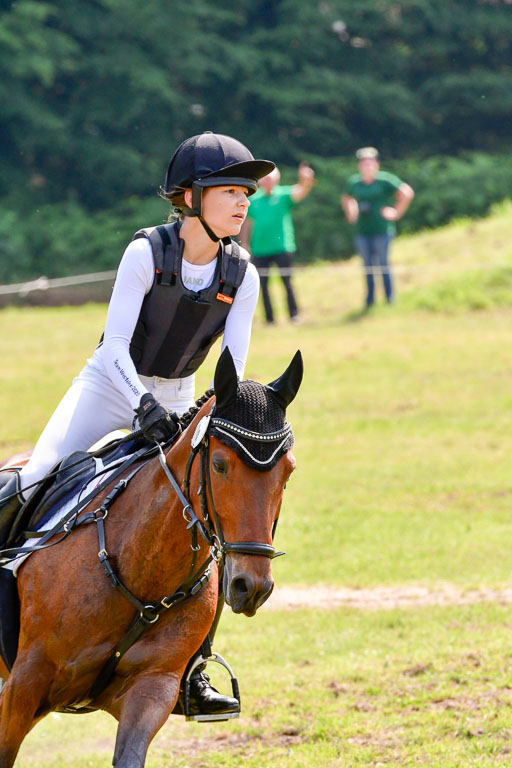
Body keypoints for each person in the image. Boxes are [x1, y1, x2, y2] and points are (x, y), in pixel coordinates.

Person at [0, 131, 275, 716]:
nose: (242, 201)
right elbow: (117, 347)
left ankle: (193, 669)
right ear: (190, 197)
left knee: (204, 521)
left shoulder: (243, 273)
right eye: (229, 190)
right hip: (107, 386)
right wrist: (141, 407)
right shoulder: (145, 253)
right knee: (31, 478)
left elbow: (231, 368)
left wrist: (197, 415)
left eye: (246, 192)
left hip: (179, 399)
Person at [240, 162, 314, 325]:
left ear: (277, 180)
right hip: (259, 248)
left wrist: (305, 180)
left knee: (286, 283)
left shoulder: (283, 195)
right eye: (265, 179)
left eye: (271, 179)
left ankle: (293, 315)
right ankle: (269, 319)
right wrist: (244, 243)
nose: (268, 182)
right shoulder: (253, 199)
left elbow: (300, 191)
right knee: (262, 286)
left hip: (282, 247)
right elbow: (247, 223)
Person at [341, 147, 414, 309]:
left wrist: (396, 212)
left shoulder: (385, 180)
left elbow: (407, 192)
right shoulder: (354, 182)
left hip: (382, 230)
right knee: (367, 267)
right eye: (364, 163)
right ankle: (370, 300)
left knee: (383, 265)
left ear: (377, 164)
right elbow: (347, 198)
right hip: (363, 231)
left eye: (370, 163)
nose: (367, 166)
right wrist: (351, 212)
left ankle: (389, 299)